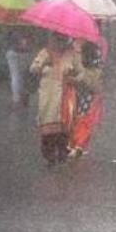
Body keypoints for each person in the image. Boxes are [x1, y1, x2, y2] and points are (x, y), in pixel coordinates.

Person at [29, 33, 78, 165]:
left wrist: (72, 76)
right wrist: (44, 63)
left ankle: (62, 153)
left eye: (62, 39)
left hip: (66, 95)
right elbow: (33, 69)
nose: (59, 42)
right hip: (48, 95)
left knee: (65, 125)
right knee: (48, 124)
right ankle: (49, 154)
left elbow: (80, 73)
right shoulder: (45, 52)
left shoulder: (71, 54)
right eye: (56, 38)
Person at [62, 40, 104, 158]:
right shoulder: (69, 50)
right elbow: (64, 68)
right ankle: (70, 143)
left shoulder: (93, 51)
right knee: (71, 117)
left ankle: (79, 145)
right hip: (73, 91)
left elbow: (94, 75)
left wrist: (77, 76)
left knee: (83, 117)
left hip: (87, 91)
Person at [4, 28, 34, 110]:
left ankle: (17, 100)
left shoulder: (13, 24)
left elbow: (8, 39)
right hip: (25, 52)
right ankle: (23, 97)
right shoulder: (28, 27)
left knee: (16, 76)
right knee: (23, 76)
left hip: (14, 52)